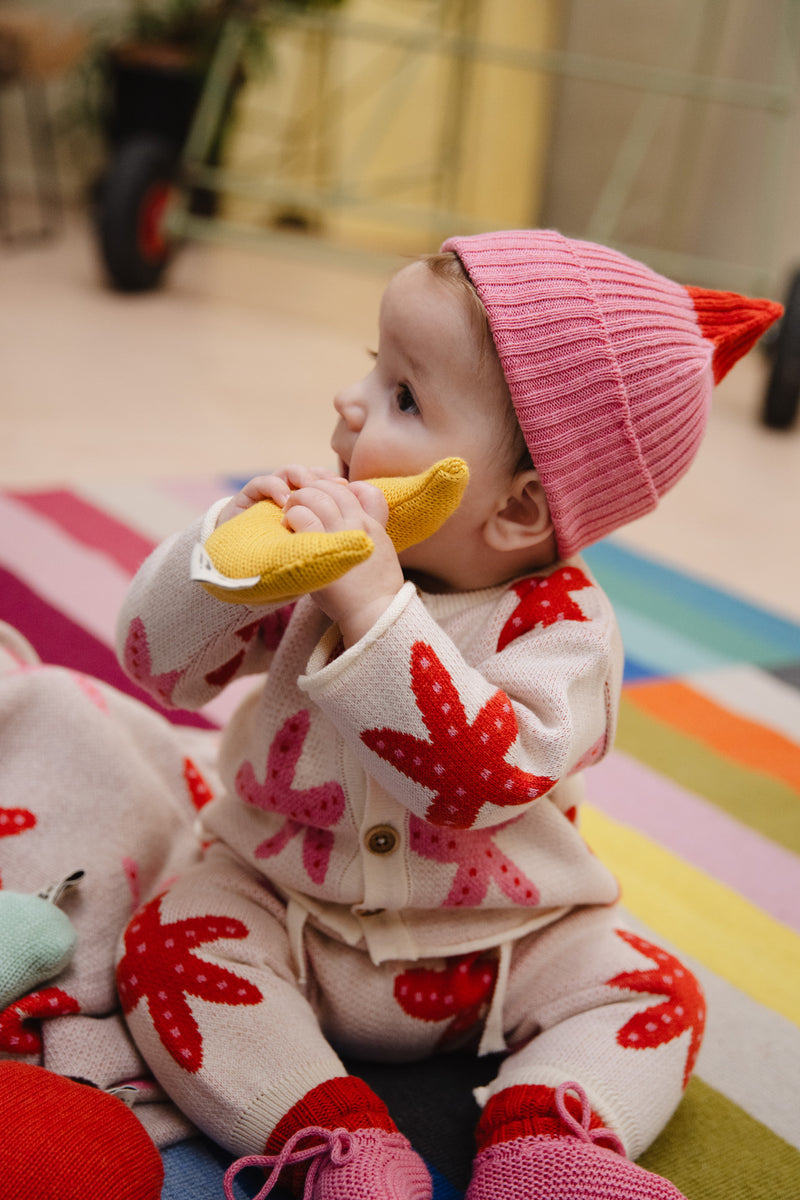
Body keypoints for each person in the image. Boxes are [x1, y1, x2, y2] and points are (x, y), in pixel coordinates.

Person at [114, 229, 780, 1200]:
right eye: (370, 369)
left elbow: (476, 785)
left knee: (655, 992)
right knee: (164, 942)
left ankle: (543, 1138)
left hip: (504, 945)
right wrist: (224, 560)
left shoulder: (566, 630)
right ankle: (329, 1143)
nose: (348, 405)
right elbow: (153, 666)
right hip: (285, 911)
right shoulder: (317, 560)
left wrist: (375, 608)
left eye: (403, 397)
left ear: (516, 512)